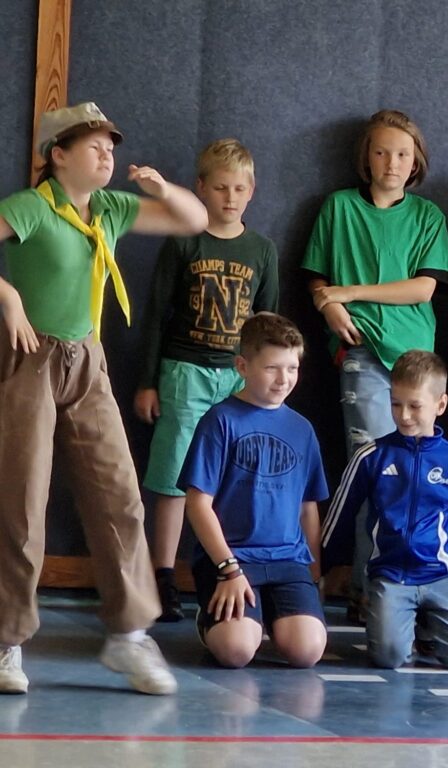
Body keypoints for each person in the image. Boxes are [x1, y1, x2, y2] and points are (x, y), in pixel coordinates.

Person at [0, 101, 208, 695]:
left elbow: (193, 219)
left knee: (120, 496)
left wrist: (162, 188)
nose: (107, 155)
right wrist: (8, 298)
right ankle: (7, 639)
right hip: (31, 358)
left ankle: (128, 635)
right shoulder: (31, 207)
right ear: (58, 156)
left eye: (111, 147)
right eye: (93, 146)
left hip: (87, 361)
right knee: (22, 503)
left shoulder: (112, 209)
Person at [302, 109, 448, 622]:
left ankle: (411, 585)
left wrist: (349, 292)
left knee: (416, 472)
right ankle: (368, 591)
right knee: (372, 469)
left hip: (416, 359)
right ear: (366, 158)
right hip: (362, 351)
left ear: (416, 162)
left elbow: (424, 288)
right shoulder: (339, 207)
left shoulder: (428, 216)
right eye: (382, 152)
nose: (392, 162)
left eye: (403, 154)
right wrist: (328, 303)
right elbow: (316, 279)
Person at [135, 138, 279, 622]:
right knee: (174, 476)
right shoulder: (184, 241)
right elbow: (156, 314)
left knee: (236, 477)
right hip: (185, 371)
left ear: (252, 191)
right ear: (200, 188)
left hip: (239, 377)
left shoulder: (262, 250)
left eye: (239, 188)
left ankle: (228, 570)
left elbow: (269, 324)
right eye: (220, 188)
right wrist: (147, 381)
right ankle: (162, 575)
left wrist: (266, 384)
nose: (229, 197)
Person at [321, 350, 448, 670]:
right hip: (391, 575)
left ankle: (426, 627)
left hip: (441, 575)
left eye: (415, 406)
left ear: (440, 405)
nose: (404, 416)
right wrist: (321, 569)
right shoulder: (371, 456)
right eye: (396, 404)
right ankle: (399, 622)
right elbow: (339, 517)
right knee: (389, 656)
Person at [179, 312, 328, 669]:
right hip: (234, 558)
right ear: (242, 366)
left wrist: (314, 572)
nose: (284, 379)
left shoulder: (302, 429)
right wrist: (228, 567)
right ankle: (215, 620)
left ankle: (271, 617)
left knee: (306, 651)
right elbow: (198, 504)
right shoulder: (219, 421)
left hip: (288, 560)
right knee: (236, 651)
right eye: (272, 368)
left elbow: (308, 507)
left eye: (292, 368)